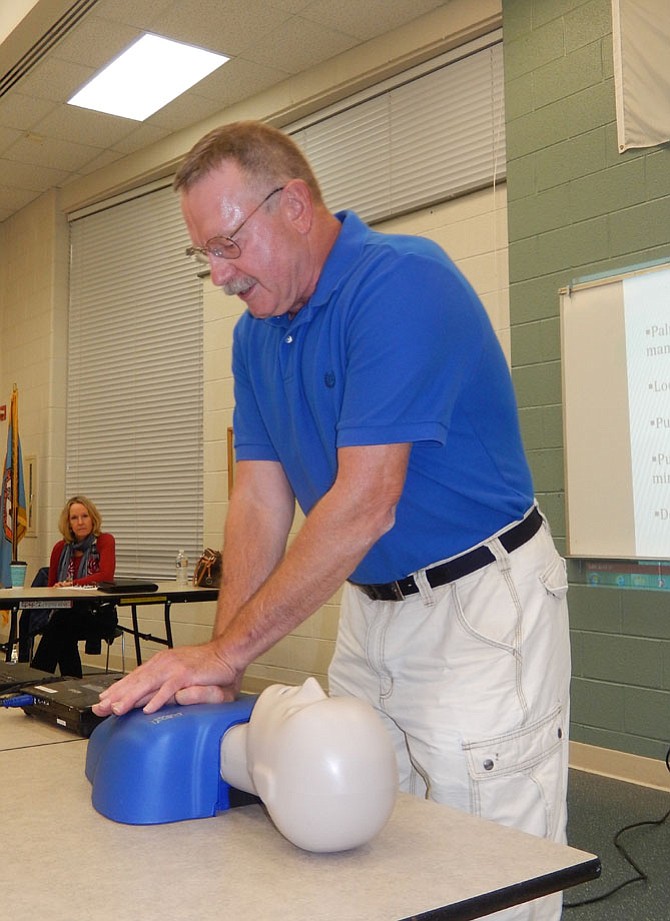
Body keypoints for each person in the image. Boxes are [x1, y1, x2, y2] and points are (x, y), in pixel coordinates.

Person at [95, 121, 570, 920]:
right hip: (371, 609)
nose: (217, 273)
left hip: (481, 606)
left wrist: (223, 646)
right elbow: (258, 501)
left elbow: (364, 502)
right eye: (201, 254)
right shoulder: (255, 338)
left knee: (490, 869)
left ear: (296, 206)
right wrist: (225, 668)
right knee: (366, 843)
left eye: (228, 244)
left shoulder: (401, 283)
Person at [31, 496, 116, 677]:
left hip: (98, 613)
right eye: (74, 518)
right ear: (68, 523)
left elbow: (105, 576)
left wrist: (72, 584)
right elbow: (52, 586)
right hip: (66, 612)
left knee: (60, 625)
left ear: (93, 518)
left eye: (84, 516)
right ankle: (73, 684)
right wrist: (60, 587)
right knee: (63, 626)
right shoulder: (60, 548)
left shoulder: (104, 541)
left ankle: (35, 679)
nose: (80, 522)